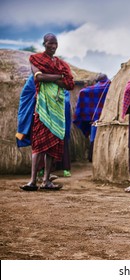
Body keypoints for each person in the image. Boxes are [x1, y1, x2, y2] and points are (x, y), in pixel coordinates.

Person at [19, 33, 74, 191]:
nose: (53, 46)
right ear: (44, 43)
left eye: (55, 44)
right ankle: (32, 181)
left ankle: (46, 181)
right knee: (38, 144)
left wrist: (55, 78)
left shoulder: (62, 63)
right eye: (50, 43)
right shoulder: (35, 59)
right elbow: (39, 77)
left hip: (57, 108)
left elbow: (69, 83)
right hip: (42, 108)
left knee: (52, 144)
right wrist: (58, 77)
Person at [73, 73, 111, 162]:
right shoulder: (110, 88)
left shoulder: (89, 90)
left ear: (97, 81)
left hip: (95, 119)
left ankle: (93, 157)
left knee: (94, 137)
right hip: (108, 119)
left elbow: (82, 93)